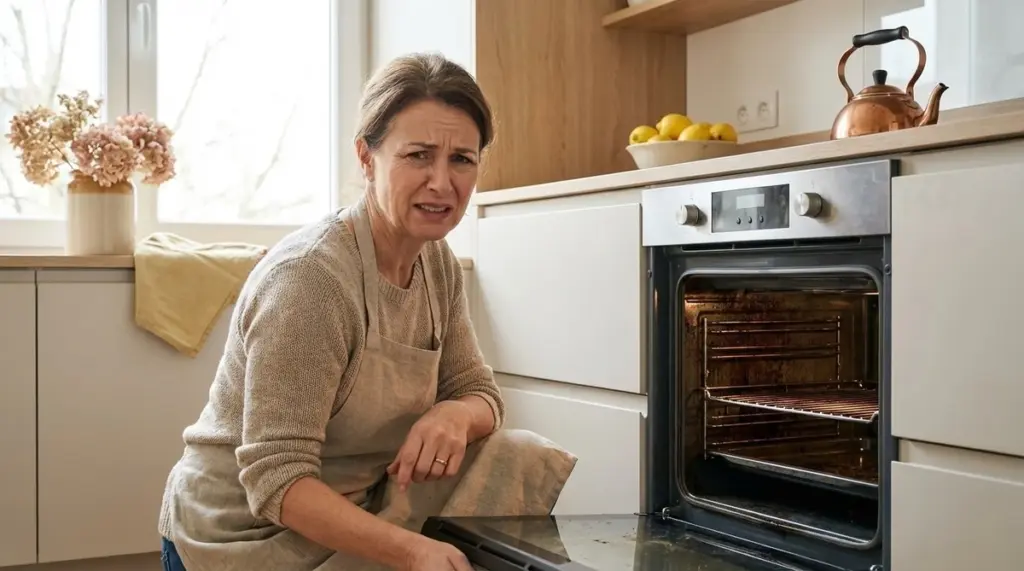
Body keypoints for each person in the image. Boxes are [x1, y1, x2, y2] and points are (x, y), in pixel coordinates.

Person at [159, 52, 507, 571]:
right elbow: (276, 477)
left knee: (519, 453)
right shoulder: (311, 278)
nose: (442, 182)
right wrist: (414, 551)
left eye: (462, 159)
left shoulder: (438, 264)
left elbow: (481, 392)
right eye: (418, 155)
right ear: (366, 157)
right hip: (241, 537)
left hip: (354, 513)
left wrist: (455, 413)